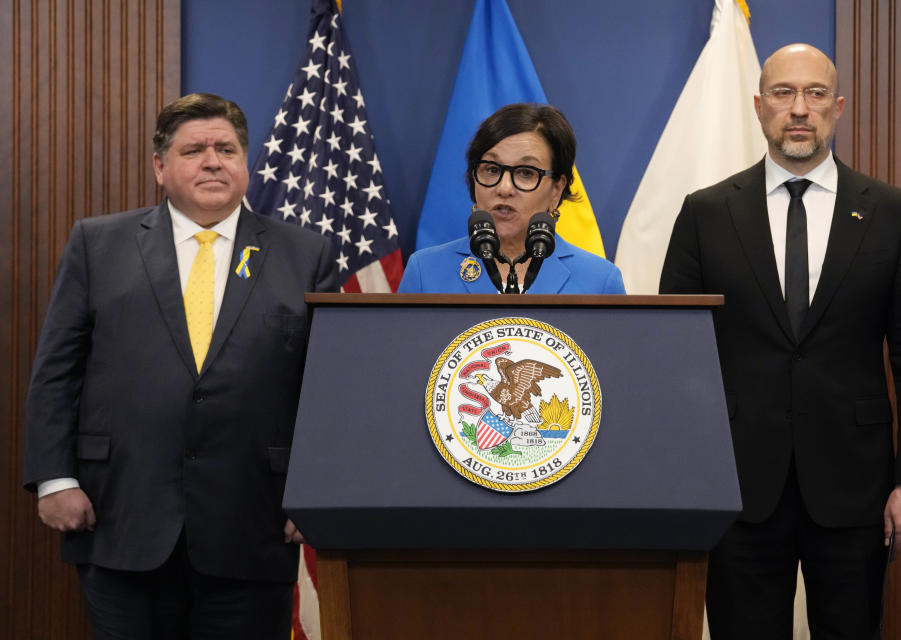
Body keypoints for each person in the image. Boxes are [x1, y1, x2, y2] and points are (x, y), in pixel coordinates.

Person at [23, 93, 336, 639]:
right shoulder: (97, 244)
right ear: (160, 167)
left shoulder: (305, 254)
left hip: (254, 526)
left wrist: (319, 491)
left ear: (246, 161)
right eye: (194, 149)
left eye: (227, 148)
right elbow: (57, 370)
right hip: (118, 515)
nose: (213, 160)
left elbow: (333, 388)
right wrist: (54, 478)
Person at [660, 44, 901, 638]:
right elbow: (676, 357)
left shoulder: (893, 214)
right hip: (737, 486)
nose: (799, 109)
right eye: (784, 94)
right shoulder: (706, 213)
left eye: (815, 94)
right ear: (760, 108)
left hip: (856, 488)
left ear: (837, 109)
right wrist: (687, 479)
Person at [398, 103, 625, 294]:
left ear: (557, 189)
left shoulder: (600, 282)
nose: (504, 188)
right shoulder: (425, 273)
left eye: (526, 173)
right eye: (492, 170)